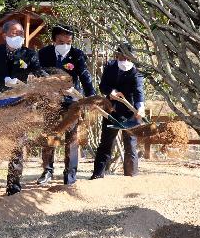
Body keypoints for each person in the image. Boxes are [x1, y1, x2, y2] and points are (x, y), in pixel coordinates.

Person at [0, 20, 46, 195]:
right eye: (13, 33)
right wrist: (3, 80)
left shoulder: (30, 54)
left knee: (17, 146)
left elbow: (38, 72)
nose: (17, 36)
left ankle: (13, 186)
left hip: (21, 106)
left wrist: (48, 80)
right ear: (4, 35)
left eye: (20, 34)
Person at [37, 25, 96, 185]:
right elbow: (39, 71)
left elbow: (85, 76)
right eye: (61, 41)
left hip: (72, 102)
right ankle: (47, 171)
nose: (65, 45)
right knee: (50, 135)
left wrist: (91, 96)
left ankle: (70, 175)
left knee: (71, 138)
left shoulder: (77, 55)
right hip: (51, 101)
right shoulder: (44, 53)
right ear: (54, 40)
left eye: (68, 42)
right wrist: (51, 83)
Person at [91, 42, 145, 179]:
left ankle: (131, 175)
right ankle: (98, 174)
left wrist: (140, 107)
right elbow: (103, 85)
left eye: (128, 58)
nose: (125, 61)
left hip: (130, 113)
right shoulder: (110, 66)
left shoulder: (136, 70)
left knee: (130, 144)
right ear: (117, 55)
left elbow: (139, 91)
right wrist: (111, 92)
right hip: (111, 110)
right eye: (122, 57)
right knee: (105, 143)